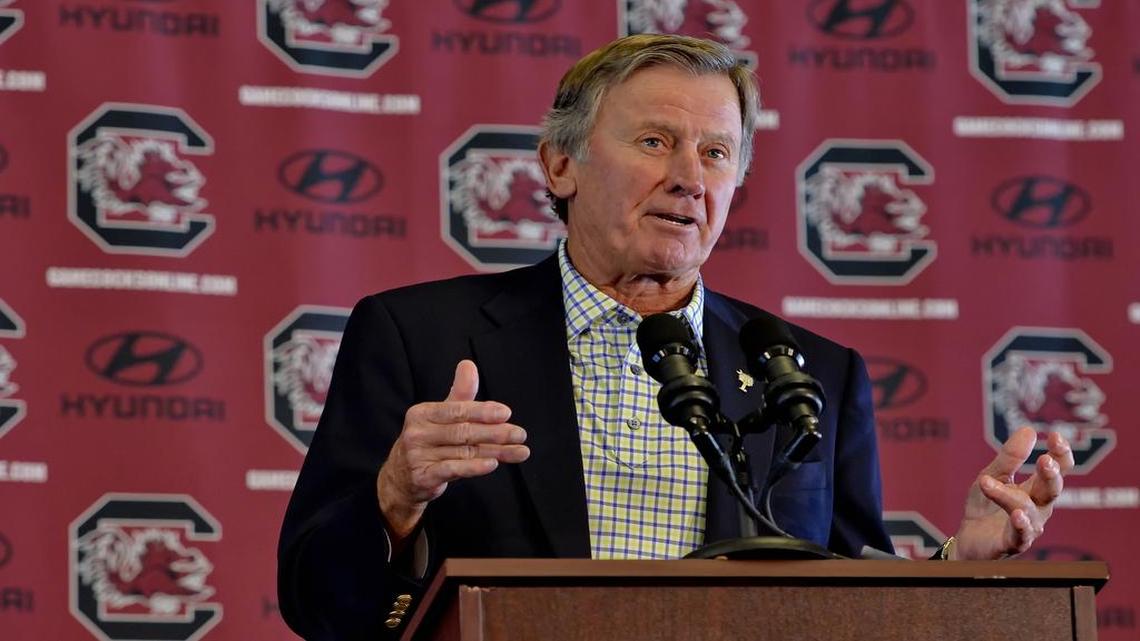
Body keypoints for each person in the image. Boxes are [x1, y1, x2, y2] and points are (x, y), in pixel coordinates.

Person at [277, 34, 1074, 641]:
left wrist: (953, 568)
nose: (690, 175)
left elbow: (847, 605)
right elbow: (317, 603)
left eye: (716, 152)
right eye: (655, 141)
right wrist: (394, 498)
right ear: (561, 165)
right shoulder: (421, 336)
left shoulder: (816, 375)